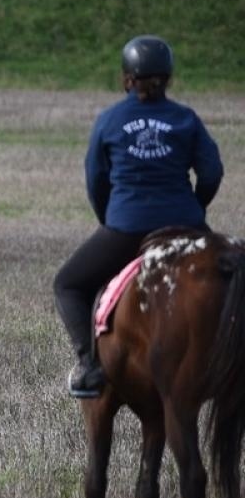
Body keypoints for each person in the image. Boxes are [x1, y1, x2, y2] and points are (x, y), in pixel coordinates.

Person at [54, 35, 223, 399]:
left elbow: (96, 180)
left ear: (126, 79)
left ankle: (90, 366)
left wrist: (111, 219)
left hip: (127, 228)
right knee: (231, 275)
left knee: (67, 284)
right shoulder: (186, 119)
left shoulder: (110, 120)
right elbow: (211, 173)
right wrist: (194, 210)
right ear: (168, 78)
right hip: (186, 226)